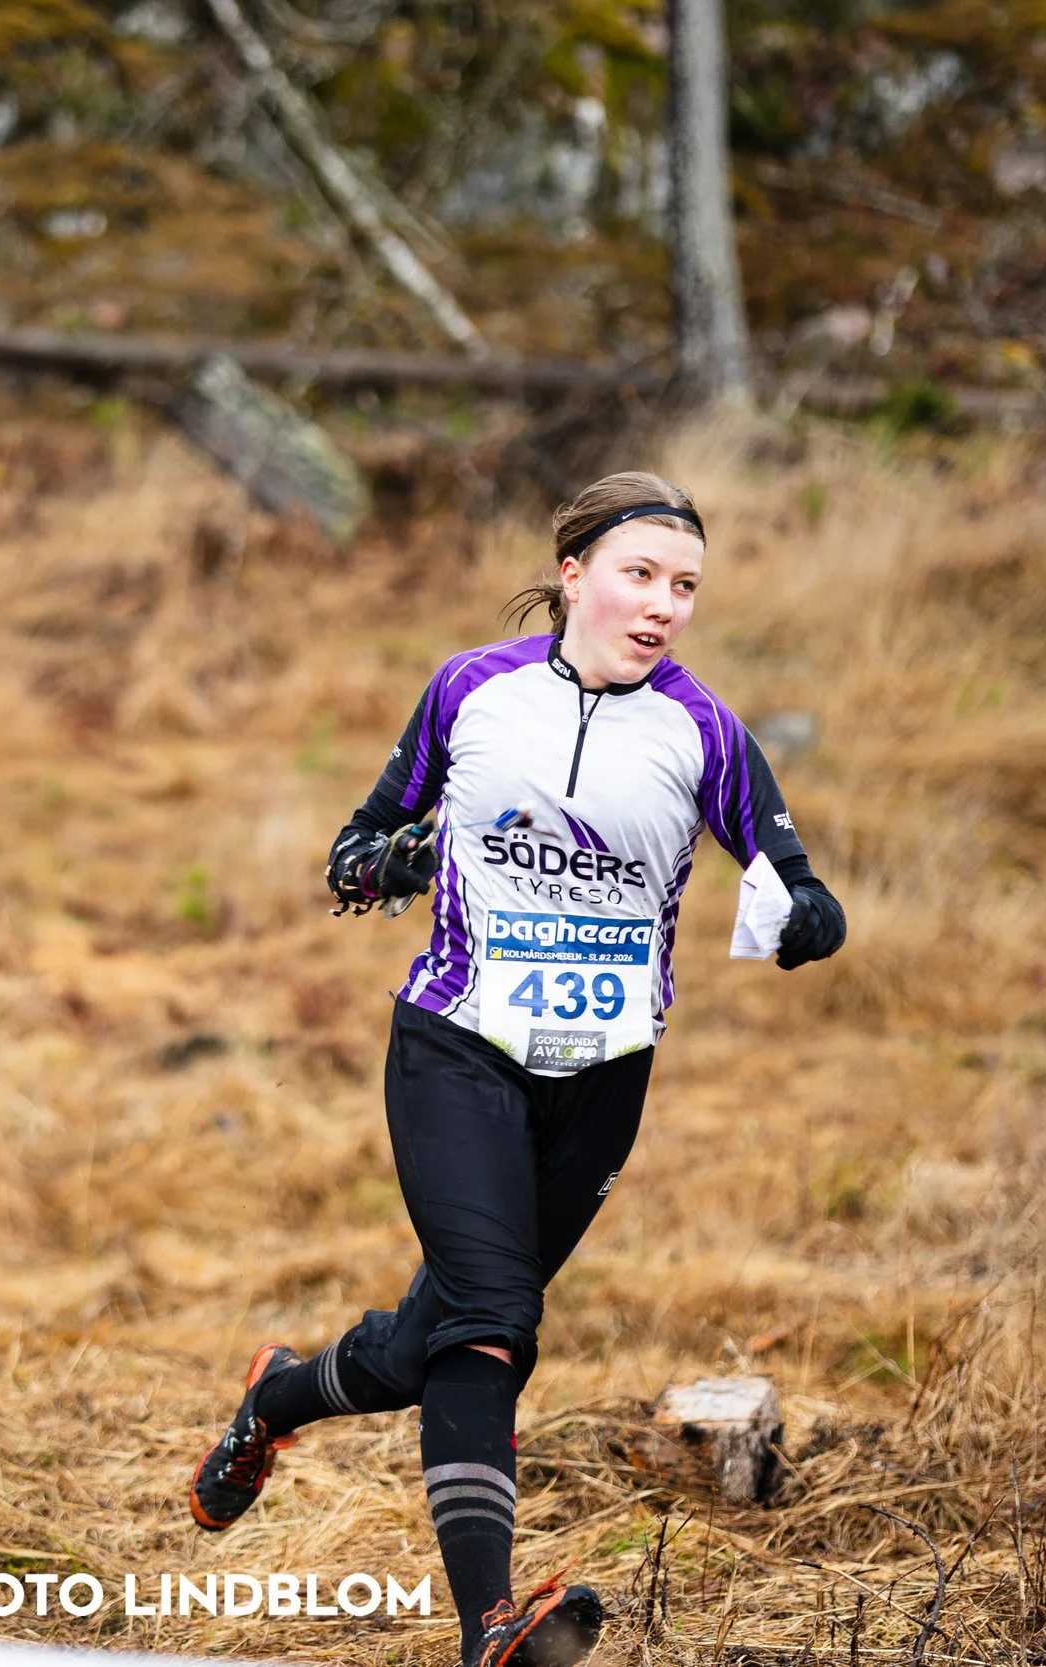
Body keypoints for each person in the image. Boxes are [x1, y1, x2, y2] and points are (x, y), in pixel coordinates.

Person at [185, 472, 847, 1667]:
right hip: (457, 1044)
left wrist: (807, 915)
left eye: (685, 586)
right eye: (639, 574)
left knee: (426, 1340)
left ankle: (278, 1397)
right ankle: (489, 1622)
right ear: (573, 572)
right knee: (493, 1319)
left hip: (602, 1078)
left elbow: (796, 876)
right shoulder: (469, 689)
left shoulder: (708, 733)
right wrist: (405, 856)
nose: (661, 605)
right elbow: (351, 852)